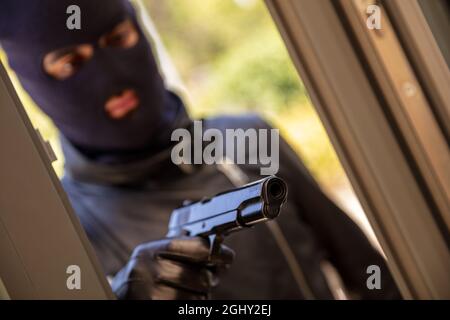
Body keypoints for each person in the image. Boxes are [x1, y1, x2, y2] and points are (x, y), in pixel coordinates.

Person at [0, 0, 401, 299]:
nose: (111, 78)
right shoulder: (66, 228)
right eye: (70, 62)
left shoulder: (247, 141)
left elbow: (368, 271)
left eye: (117, 39)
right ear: (36, 84)